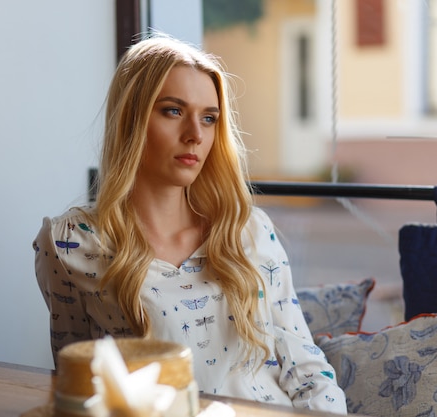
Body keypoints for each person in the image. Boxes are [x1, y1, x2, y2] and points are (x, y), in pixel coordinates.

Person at [33, 34, 347, 414]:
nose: (196, 136)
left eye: (209, 118)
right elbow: (78, 386)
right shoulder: (69, 242)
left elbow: (307, 369)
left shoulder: (247, 231)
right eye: (173, 111)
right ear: (131, 118)